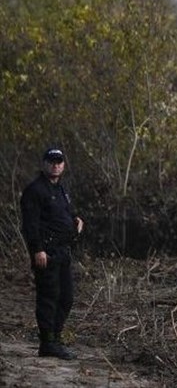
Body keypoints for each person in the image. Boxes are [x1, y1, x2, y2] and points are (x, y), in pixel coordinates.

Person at [19, 147, 84, 360]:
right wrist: (37, 249)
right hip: (46, 253)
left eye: (59, 161)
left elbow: (66, 211)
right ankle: (47, 343)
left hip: (63, 252)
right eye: (51, 161)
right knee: (49, 297)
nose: (55, 165)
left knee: (67, 297)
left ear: (64, 165)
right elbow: (30, 224)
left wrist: (76, 219)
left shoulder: (61, 189)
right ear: (43, 163)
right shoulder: (35, 190)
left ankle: (55, 338)